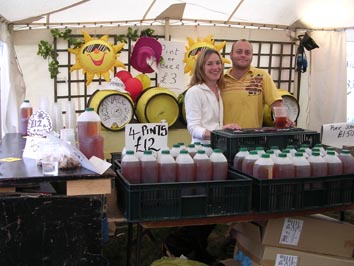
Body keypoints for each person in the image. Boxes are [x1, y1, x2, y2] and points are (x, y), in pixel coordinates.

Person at [163, 48, 236, 265]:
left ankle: (197, 249)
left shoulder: (218, 90)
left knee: (214, 206)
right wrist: (219, 132)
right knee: (204, 206)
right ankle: (174, 243)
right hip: (202, 156)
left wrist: (223, 129)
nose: (215, 67)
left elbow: (212, 125)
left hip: (217, 154)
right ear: (201, 68)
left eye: (218, 63)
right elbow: (194, 127)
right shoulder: (195, 92)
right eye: (210, 64)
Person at [221, 39, 294, 128]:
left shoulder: (262, 76)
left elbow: (276, 103)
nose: (243, 55)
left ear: (252, 56)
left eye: (247, 53)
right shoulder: (221, 80)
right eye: (239, 52)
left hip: (253, 138)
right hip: (226, 137)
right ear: (231, 55)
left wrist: (283, 119)